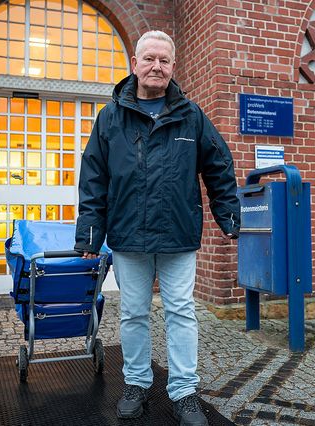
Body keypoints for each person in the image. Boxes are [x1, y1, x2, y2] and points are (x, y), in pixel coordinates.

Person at [75, 30, 240, 426]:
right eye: (149, 58)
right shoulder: (110, 118)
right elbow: (93, 179)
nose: (156, 66)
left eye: (164, 61)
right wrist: (90, 237)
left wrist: (229, 216)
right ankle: (136, 384)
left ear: (172, 68)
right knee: (132, 312)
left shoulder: (191, 115)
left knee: (181, 312)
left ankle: (184, 391)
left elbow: (219, 166)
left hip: (178, 234)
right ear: (135, 64)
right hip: (129, 235)